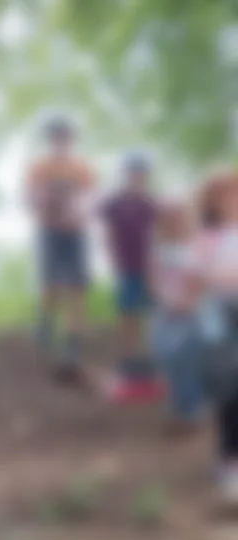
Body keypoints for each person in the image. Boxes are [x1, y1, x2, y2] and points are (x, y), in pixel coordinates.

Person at [25, 116, 95, 377]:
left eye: (65, 136)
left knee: (77, 288)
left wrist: (77, 214)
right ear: (51, 139)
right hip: (50, 232)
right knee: (50, 285)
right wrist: (48, 205)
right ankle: (44, 333)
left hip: (75, 233)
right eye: (57, 136)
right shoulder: (41, 168)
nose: (61, 141)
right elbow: (32, 197)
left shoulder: (80, 168)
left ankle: (74, 347)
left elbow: (89, 198)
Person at [191, 169, 238, 505]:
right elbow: (203, 276)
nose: (232, 199)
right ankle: (228, 460)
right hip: (220, 316)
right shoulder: (206, 238)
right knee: (228, 389)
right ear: (213, 202)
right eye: (224, 194)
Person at [100, 153, 159, 382]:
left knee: (152, 313)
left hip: (150, 268)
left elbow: (157, 236)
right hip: (127, 267)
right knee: (127, 312)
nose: (138, 177)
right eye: (134, 172)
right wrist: (113, 261)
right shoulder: (114, 202)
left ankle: (153, 359)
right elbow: (107, 234)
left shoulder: (150, 203)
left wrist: (156, 267)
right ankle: (127, 358)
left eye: (142, 173)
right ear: (126, 174)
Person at [149, 201, 203, 430]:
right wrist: (166, 299)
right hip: (165, 312)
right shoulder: (159, 248)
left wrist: (188, 300)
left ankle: (190, 410)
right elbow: (153, 277)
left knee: (188, 359)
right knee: (168, 357)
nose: (174, 221)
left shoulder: (197, 246)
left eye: (179, 216)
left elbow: (202, 277)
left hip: (192, 312)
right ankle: (180, 404)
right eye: (170, 216)